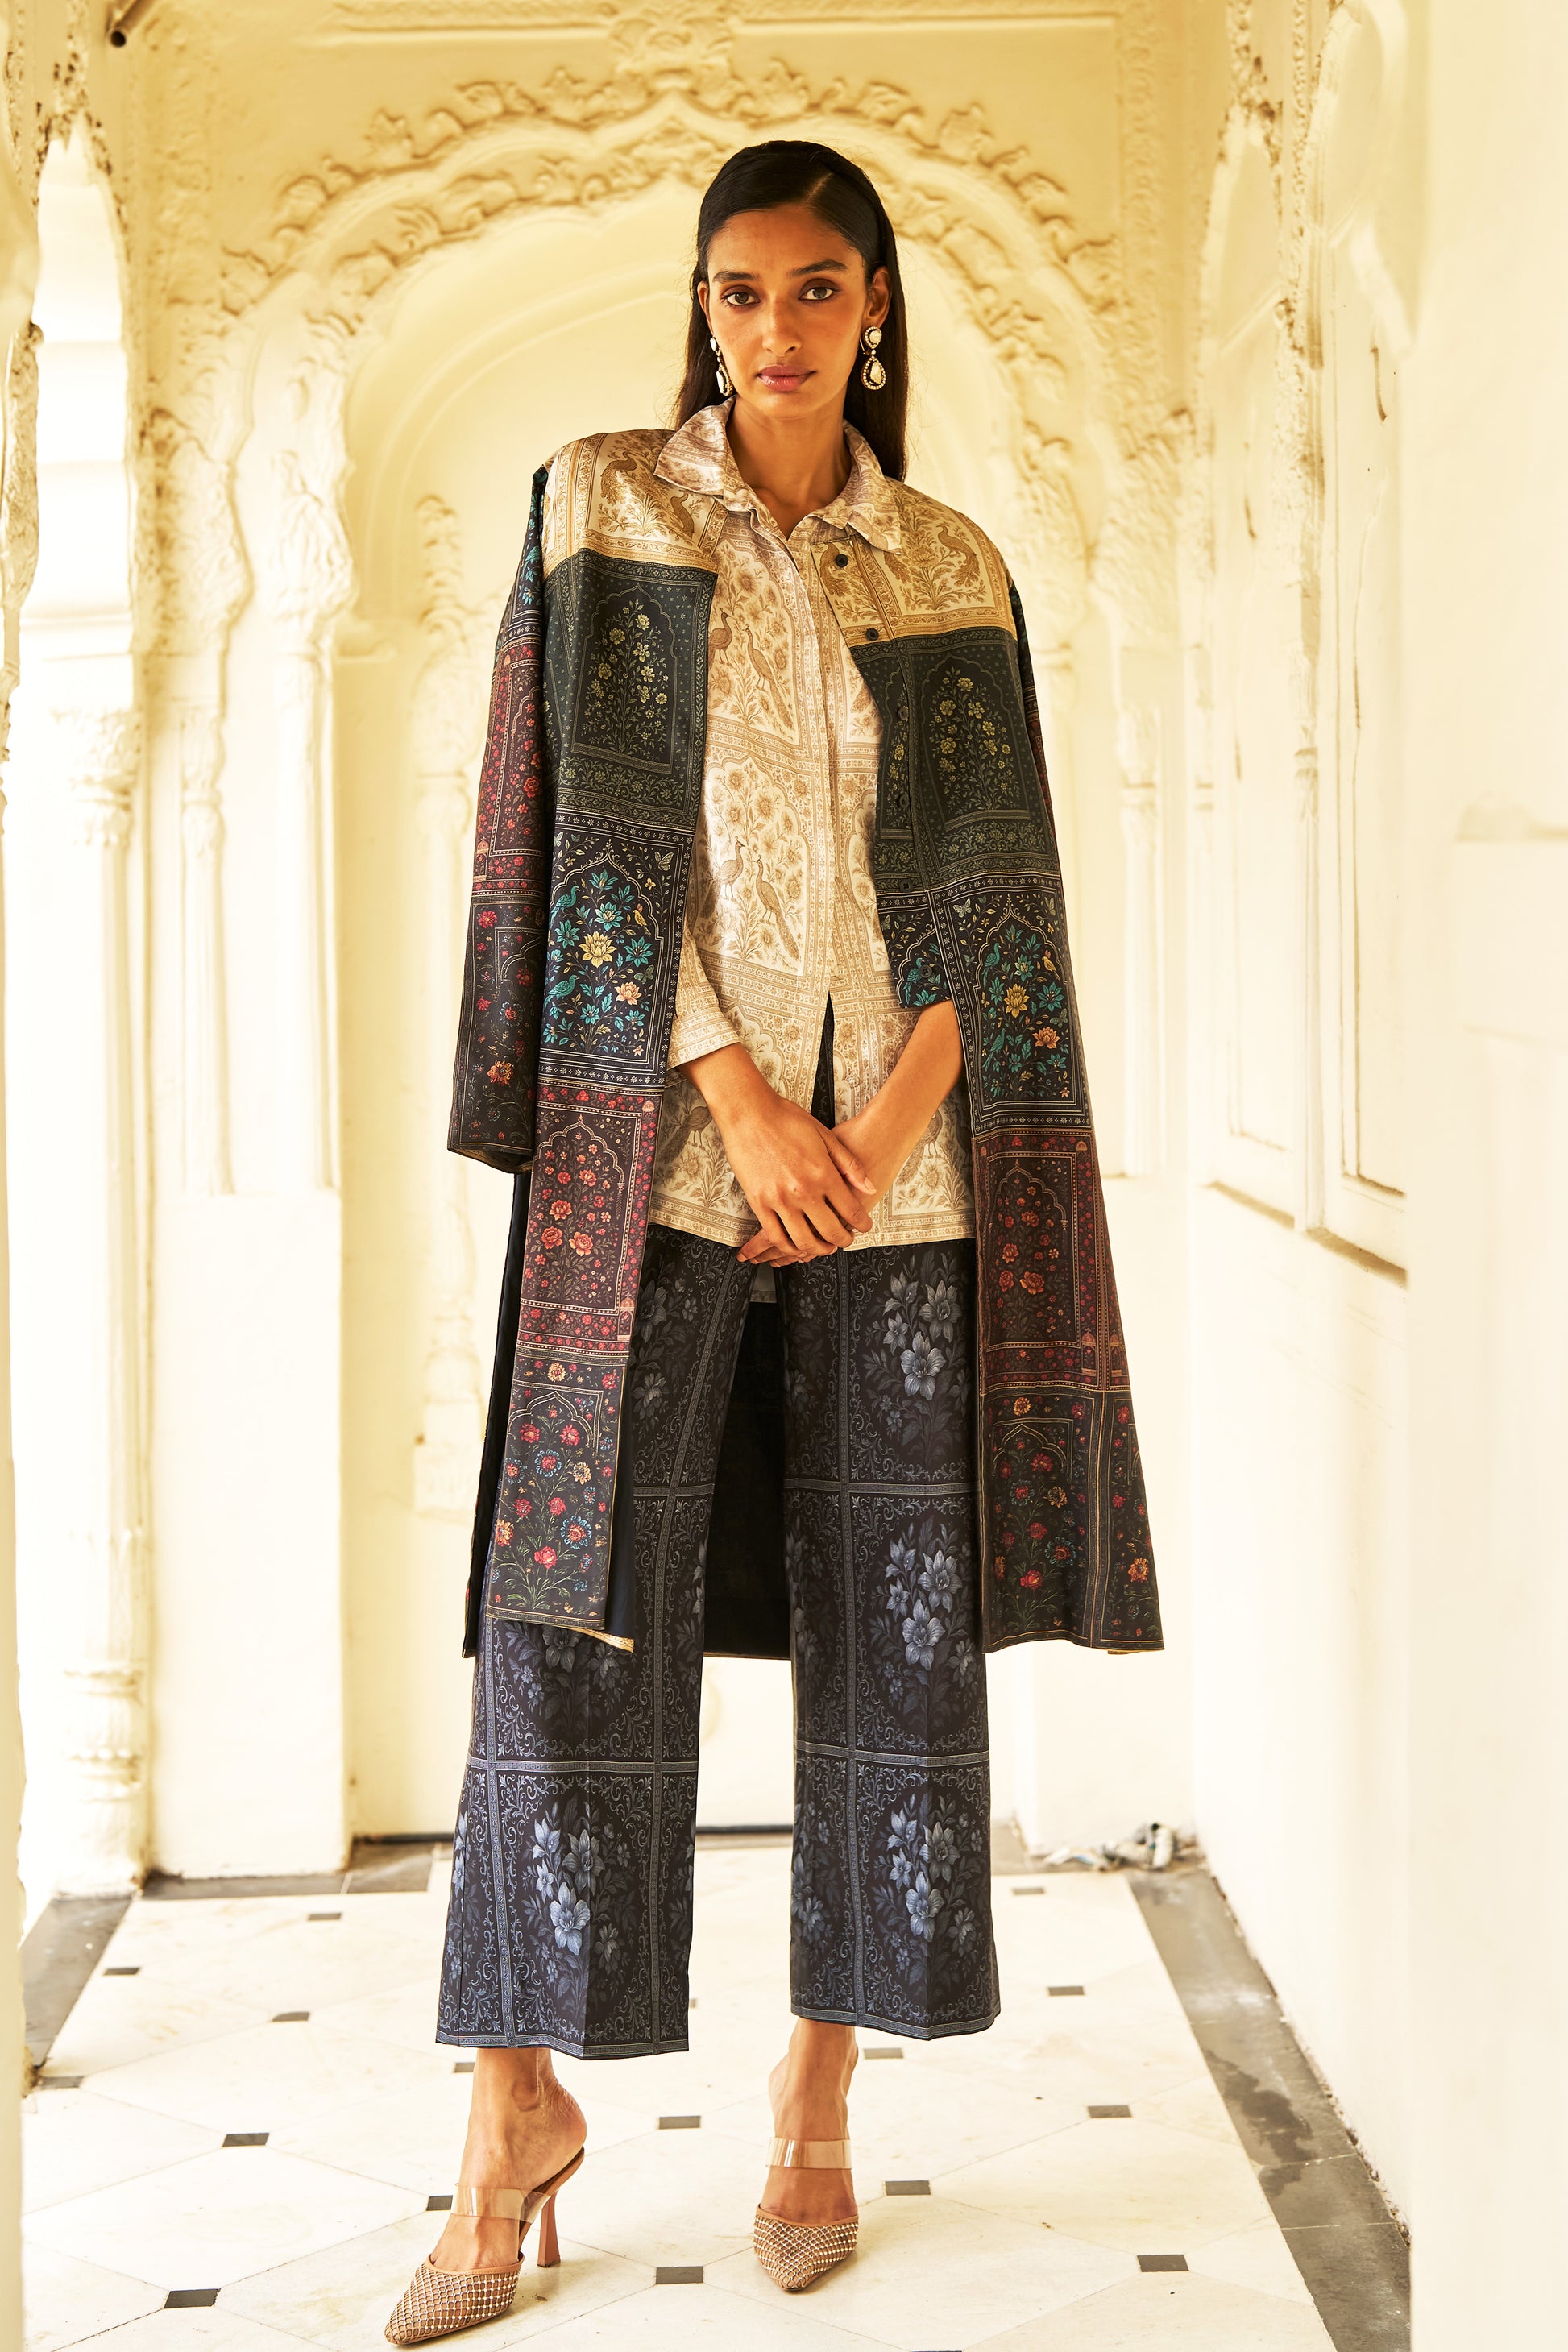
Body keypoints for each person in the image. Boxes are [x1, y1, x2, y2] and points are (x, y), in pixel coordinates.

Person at [387, 136, 1160, 2346]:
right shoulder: (605, 507)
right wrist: (739, 1097)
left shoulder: (947, 558)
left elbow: (996, 896)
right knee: (562, 1622)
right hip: (659, 1156)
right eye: (739, 291)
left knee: (883, 1638)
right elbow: (583, 850)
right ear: (703, 308)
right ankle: (510, 2113)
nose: (776, 327)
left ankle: (816, 2095)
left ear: (876, 305)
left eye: (817, 287)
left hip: (899, 1182)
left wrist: (886, 1123)